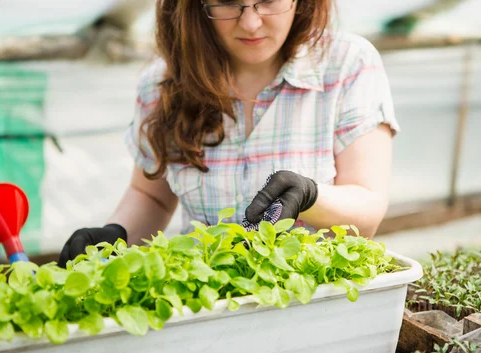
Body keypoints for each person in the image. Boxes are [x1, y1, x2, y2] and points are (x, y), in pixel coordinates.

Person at [58, 0, 399, 267]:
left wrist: (311, 197)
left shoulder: (347, 65)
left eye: (268, 0)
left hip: (314, 305)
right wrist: (113, 236)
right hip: (203, 308)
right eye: (227, 1)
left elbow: (367, 209)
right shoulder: (163, 83)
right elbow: (152, 196)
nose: (250, 22)